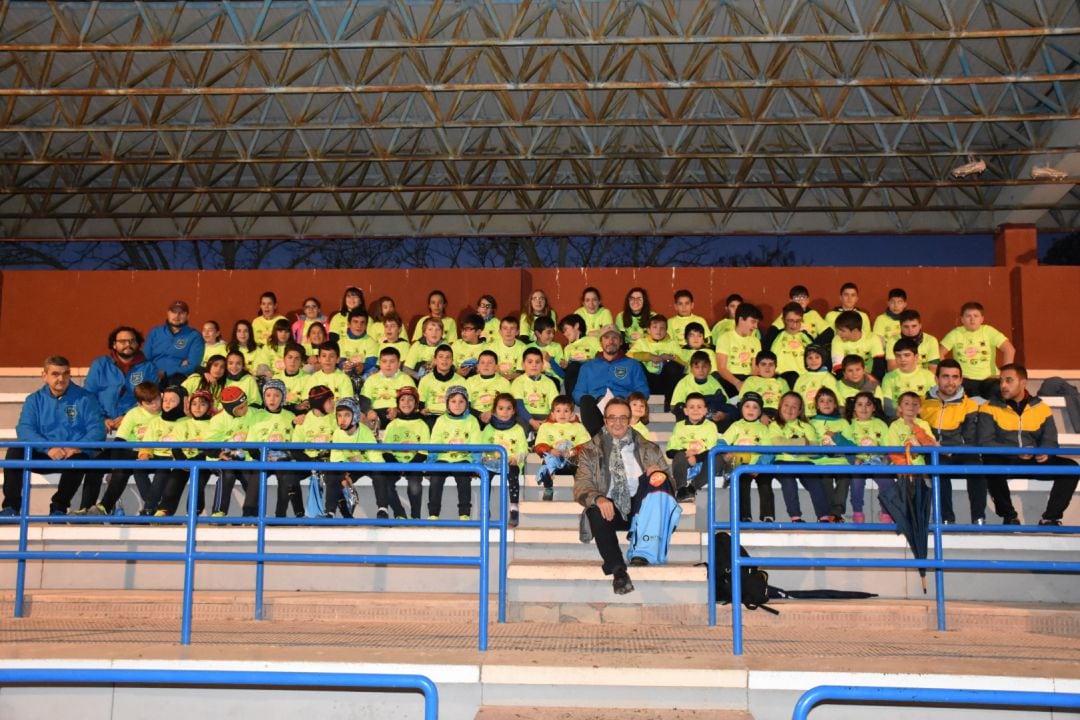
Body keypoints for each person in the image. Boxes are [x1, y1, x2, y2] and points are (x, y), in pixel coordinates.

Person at [573, 397, 673, 595]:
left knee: (657, 483)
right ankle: (618, 570)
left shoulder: (649, 448)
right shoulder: (589, 451)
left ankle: (643, 551)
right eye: (612, 418)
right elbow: (581, 485)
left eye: (622, 418)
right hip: (611, 510)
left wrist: (658, 476)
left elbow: (671, 486)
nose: (617, 423)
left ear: (629, 420)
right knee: (595, 509)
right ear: (605, 420)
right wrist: (598, 498)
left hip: (641, 511)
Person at [1, 357, 107, 517]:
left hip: (72, 454)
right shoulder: (34, 400)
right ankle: (11, 508)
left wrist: (76, 447)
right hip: (43, 453)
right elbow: (25, 429)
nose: (61, 379)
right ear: (44, 376)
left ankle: (59, 508)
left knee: (81, 458)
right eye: (55, 374)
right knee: (15, 452)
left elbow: (97, 429)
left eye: (66, 374)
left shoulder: (85, 398)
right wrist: (48, 448)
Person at [977, 364, 1078, 526]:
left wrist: (1046, 453)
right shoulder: (988, 407)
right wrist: (1016, 451)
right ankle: (1009, 516)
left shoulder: (1041, 407)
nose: (1003, 385)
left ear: (1023, 383)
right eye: (1001, 380)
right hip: (1004, 460)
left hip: (1032, 460)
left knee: (1071, 468)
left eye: (1009, 380)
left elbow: (1050, 439)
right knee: (990, 463)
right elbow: (985, 442)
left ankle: (1050, 517)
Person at [81, 326, 159, 513]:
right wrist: (104, 418)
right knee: (94, 466)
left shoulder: (148, 367)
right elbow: (89, 395)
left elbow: (150, 397)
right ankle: (86, 509)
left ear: (138, 343)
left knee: (121, 466)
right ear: (114, 344)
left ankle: (109, 507)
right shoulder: (101, 365)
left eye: (132, 340)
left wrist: (126, 416)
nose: (127, 345)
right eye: (122, 341)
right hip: (104, 422)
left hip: (134, 426)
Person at [919, 359, 984, 524]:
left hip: (960, 451)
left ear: (961, 380)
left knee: (977, 468)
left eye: (955, 377)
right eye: (945, 377)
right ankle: (946, 519)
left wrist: (955, 449)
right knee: (938, 468)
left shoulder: (970, 405)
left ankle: (979, 518)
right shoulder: (922, 404)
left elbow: (970, 438)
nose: (950, 382)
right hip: (933, 451)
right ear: (937, 379)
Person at [572, 325, 649, 436]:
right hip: (596, 407)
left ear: (621, 341)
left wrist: (625, 399)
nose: (611, 341)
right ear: (601, 342)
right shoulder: (587, 367)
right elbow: (577, 393)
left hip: (622, 406)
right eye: (606, 338)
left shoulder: (633, 365)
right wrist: (598, 398)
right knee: (586, 400)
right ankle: (599, 438)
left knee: (622, 405)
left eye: (615, 338)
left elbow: (643, 391)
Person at [769, 391, 830, 522]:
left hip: (805, 462)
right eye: (786, 405)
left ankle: (823, 516)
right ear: (780, 407)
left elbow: (814, 451)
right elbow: (779, 444)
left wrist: (792, 446)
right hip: (782, 461)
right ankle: (795, 517)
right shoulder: (775, 425)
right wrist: (803, 443)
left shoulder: (807, 426)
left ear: (800, 410)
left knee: (816, 483)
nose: (789, 409)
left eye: (794, 406)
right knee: (788, 482)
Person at [427, 386, 483, 520]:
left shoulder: (472, 421)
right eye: (453, 401)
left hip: (464, 458)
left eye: (461, 401)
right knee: (435, 479)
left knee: (463, 479)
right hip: (443, 458)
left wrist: (476, 465)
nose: (457, 405)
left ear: (467, 403)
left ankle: (464, 513)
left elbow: (476, 444)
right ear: (447, 403)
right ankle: (433, 513)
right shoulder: (441, 420)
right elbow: (434, 442)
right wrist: (430, 463)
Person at [941, 301, 1016, 399]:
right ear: (962, 319)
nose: (972, 320)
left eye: (976, 316)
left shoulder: (989, 331)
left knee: (998, 395)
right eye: (968, 316)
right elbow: (939, 354)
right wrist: (954, 374)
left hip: (990, 379)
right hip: (965, 379)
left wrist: (1004, 375)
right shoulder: (955, 334)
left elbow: (1009, 349)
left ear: (982, 319)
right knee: (967, 400)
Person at [379, 386, 430, 519]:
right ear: (398, 403)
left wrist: (408, 466)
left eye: (410, 400)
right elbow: (386, 451)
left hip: (415, 464)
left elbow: (423, 452)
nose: (406, 403)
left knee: (414, 484)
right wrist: (397, 466)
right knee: (385, 483)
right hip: (395, 463)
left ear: (416, 404)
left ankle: (415, 517)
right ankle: (399, 513)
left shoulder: (422, 425)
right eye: (402, 399)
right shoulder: (392, 425)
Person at [722, 392, 773, 522]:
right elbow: (722, 442)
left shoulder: (763, 429)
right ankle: (745, 516)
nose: (751, 410)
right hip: (741, 466)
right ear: (741, 409)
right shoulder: (736, 426)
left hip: (758, 466)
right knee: (742, 483)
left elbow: (768, 451)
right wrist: (725, 452)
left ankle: (768, 515)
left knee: (766, 483)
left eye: (755, 407)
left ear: (760, 411)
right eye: (747, 406)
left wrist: (759, 467)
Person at [481, 393, 529, 526]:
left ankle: (514, 508)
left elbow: (523, 449)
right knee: (485, 475)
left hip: (510, 464)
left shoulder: (518, 429)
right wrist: (485, 458)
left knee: (513, 474)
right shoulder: (488, 429)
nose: (504, 412)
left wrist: (516, 458)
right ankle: (485, 508)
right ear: (494, 410)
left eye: (508, 408)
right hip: (492, 463)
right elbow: (482, 447)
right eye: (501, 408)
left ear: (513, 411)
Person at [844, 391, 890, 524]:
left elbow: (887, 445)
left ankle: (886, 512)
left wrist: (886, 458)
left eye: (868, 405)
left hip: (877, 461)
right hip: (859, 462)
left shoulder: (880, 424)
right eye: (859, 404)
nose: (864, 408)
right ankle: (857, 512)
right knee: (856, 480)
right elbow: (846, 446)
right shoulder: (849, 425)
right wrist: (854, 460)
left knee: (887, 482)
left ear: (874, 407)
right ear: (854, 408)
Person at [533, 395, 590, 501]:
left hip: (570, 461)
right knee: (546, 465)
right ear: (552, 413)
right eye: (558, 411)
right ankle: (548, 488)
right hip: (554, 459)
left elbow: (585, 445)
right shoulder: (546, 427)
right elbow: (539, 445)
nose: (562, 414)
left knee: (582, 468)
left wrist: (573, 451)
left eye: (566, 411)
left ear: (572, 413)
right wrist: (550, 450)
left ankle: (580, 491)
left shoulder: (578, 427)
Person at [809, 387, 854, 522]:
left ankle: (836, 513)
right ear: (816, 405)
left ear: (835, 404)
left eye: (830, 401)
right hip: (821, 462)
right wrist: (822, 452)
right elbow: (810, 445)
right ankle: (828, 513)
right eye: (822, 401)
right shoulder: (811, 423)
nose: (826, 404)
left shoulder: (843, 422)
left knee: (844, 478)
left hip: (840, 461)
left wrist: (837, 437)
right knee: (825, 480)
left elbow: (851, 446)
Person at [667, 393, 720, 503]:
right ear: (686, 411)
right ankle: (681, 489)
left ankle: (692, 488)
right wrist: (686, 453)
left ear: (705, 410)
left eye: (699, 407)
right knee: (679, 455)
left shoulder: (711, 426)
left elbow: (712, 449)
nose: (695, 410)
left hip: (704, 460)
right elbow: (670, 451)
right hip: (685, 460)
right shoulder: (679, 426)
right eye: (691, 407)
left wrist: (696, 458)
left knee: (718, 458)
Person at [628, 314, 684, 412]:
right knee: (634, 365)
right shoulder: (642, 342)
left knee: (674, 367)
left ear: (666, 330)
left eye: (662, 328)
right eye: (655, 327)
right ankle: (640, 402)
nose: (658, 330)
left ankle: (669, 401)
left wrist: (669, 358)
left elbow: (684, 364)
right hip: (647, 381)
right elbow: (628, 357)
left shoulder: (672, 343)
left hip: (665, 382)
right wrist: (649, 356)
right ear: (648, 330)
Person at [144, 300, 205, 386]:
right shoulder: (155, 332)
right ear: (168, 313)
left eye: (181, 313)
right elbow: (145, 359)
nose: (177, 316)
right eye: (174, 312)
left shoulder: (194, 336)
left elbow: (193, 365)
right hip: (153, 376)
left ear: (188, 316)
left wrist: (166, 373)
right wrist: (154, 372)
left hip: (176, 378)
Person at [714, 301, 762, 397]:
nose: (756, 326)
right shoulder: (725, 338)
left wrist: (748, 383)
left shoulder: (756, 341)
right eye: (753, 322)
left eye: (757, 323)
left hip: (748, 379)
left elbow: (755, 368)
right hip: (730, 379)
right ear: (741, 320)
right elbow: (722, 368)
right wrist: (737, 383)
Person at [881, 338, 937, 412]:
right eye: (898, 356)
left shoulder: (928, 376)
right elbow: (888, 407)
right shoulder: (888, 377)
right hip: (897, 420)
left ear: (916, 357)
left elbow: (935, 402)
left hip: (922, 419)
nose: (902, 359)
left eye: (907, 355)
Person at [830, 310, 885, 381]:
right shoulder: (837, 339)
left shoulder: (872, 338)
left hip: (869, 379)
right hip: (847, 380)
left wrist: (870, 383)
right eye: (837, 330)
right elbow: (838, 368)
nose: (838, 333)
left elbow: (879, 366)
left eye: (842, 331)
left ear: (855, 331)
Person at [738, 350, 790, 419]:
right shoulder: (751, 381)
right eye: (763, 364)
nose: (767, 367)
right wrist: (760, 416)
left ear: (776, 366)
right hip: (758, 413)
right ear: (757, 366)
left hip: (778, 414)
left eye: (771, 364)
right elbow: (743, 403)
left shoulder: (782, 382)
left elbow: (788, 403)